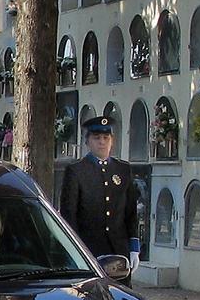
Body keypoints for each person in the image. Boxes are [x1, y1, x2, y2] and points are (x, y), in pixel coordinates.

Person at [58, 116, 140, 283]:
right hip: (89, 249)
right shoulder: (76, 171)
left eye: (106, 138)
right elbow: (69, 214)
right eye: (96, 138)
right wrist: (76, 251)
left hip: (118, 250)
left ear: (112, 141)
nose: (102, 142)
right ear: (88, 141)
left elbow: (130, 212)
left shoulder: (123, 169)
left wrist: (133, 248)